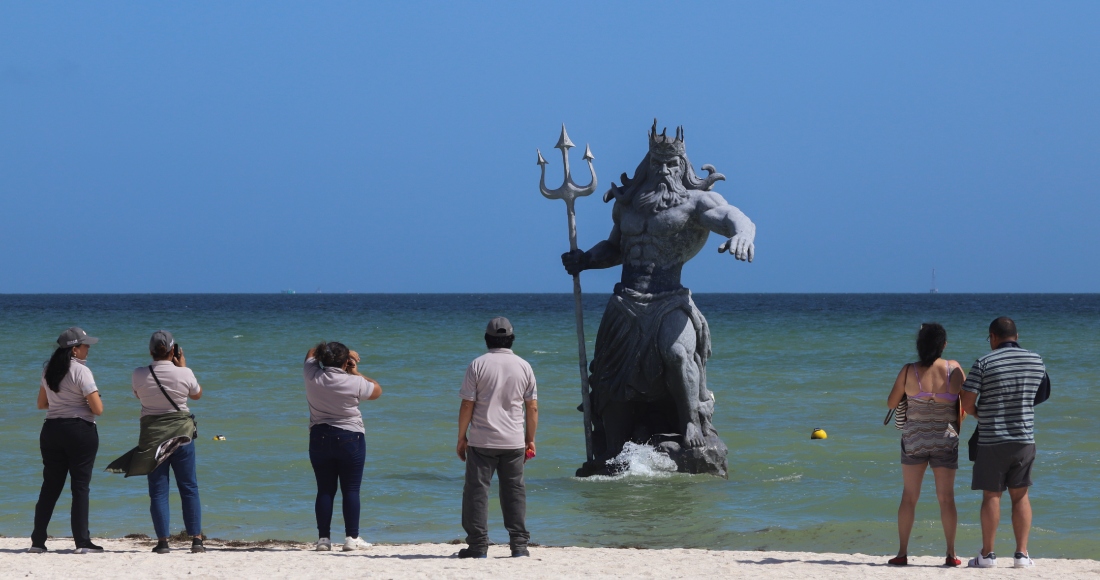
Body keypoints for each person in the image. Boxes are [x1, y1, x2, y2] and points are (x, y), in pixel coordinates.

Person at [561, 121, 755, 476]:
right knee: (607, 378)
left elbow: (731, 216)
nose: (664, 171)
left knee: (679, 354)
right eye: (657, 165)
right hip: (626, 301)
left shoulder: (697, 202)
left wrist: (744, 233)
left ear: (684, 167)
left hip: (669, 300)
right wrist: (586, 260)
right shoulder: (629, 204)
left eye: (672, 165)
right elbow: (615, 248)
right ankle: (611, 450)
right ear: (646, 166)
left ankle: (691, 423)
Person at [961, 317, 1049, 569]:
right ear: (1017, 337)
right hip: (1024, 437)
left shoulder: (984, 362)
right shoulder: (1036, 360)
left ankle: (987, 555)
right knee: (1020, 496)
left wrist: (979, 413)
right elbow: (1041, 395)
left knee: (991, 496)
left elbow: (967, 402)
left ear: (993, 337)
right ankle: (1021, 554)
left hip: (991, 439)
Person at [456, 317, 538, 559]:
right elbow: (531, 406)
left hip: (482, 440)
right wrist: (530, 438)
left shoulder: (477, 365)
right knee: (514, 491)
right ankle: (519, 546)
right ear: (511, 339)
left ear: (487, 339)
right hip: (514, 441)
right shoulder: (524, 366)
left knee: (476, 492)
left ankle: (478, 546)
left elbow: (467, 404)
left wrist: (462, 437)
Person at [885, 323, 966, 567]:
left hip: (914, 439)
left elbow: (891, 403)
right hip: (945, 439)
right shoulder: (955, 369)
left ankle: (902, 553)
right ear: (943, 345)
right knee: (946, 498)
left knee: (909, 497)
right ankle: (951, 554)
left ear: (919, 345)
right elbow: (964, 407)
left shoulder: (909, 370)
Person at [30, 327, 105, 554]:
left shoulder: (48, 370)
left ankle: (37, 541)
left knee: (50, 486)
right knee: (80, 488)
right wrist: (82, 403)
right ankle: (82, 542)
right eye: (85, 345)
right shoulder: (82, 372)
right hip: (79, 430)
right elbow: (98, 409)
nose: (88, 348)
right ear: (74, 349)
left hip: (51, 429)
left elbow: (42, 404)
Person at [129, 331, 205, 554]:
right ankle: (196, 540)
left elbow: (138, 396)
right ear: (173, 350)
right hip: (182, 436)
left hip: (153, 439)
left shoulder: (139, 374)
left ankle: (163, 542)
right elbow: (197, 395)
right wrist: (182, 367)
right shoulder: (185, 373)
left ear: (151, 351)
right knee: (189, 487)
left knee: (158, 490)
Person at [304, 341, 382, 552]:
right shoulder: (354, 382)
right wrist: (356, 371)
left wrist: (333, 353)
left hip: (319, 436)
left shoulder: (312, 375)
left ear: (322, 358)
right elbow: (376, 391)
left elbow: (311, 352)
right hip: (350, 437)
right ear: (346, 362)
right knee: (351, 490)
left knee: (325, 490)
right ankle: (352, 537)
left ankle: (323, 539)